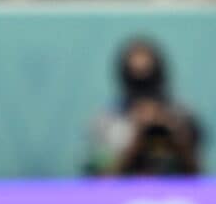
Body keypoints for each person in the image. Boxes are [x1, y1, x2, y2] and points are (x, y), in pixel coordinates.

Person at [86, 38, 202, 176]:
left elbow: (197, 173)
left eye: (148, 74)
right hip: (125, 194)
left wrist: (173, 132)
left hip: (174, 194)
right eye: (135, 74)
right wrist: (137, 137)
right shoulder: (108, 120)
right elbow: (102, 179)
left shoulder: (181, 114)